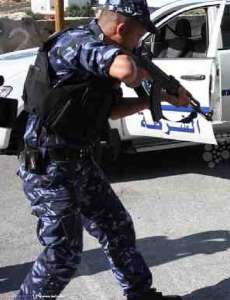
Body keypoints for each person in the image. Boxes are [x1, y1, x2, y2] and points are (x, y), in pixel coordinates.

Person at [16, 0, 189, 299]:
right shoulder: (78, 43)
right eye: (137, 36)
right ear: (121, 28)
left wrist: (154, 100)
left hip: (80, 162)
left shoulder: (103, 53)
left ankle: (140, 294)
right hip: (48, 165)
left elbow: (109, 110)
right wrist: (150, 72)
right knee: (63, 254)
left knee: (117, 228)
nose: (139, 42)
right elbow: (126, 71)